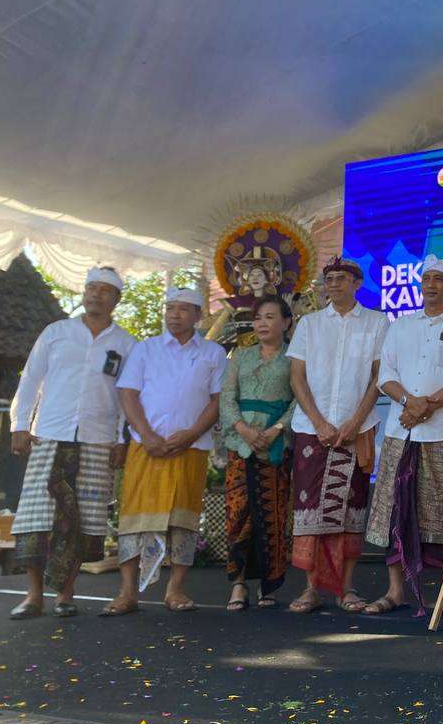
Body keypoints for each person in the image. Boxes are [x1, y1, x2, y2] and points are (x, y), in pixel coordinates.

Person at [8, 267, 136, 619]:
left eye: (104, 290)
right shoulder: (56, 332)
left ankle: (66, 594)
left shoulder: (126, 343)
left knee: (83, 520)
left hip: (98, 439)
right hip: (49, 432)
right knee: (36, 518)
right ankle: (33, 596)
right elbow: (30, 378)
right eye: (90, 288)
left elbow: (129, 396)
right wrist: (19, 424)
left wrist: (122, 438)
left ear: (116, 300)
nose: (95, 294)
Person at [366, 255, 443, 616]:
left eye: (439, 280)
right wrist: (408, 401)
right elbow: (385, 375)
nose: (430, 285)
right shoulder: (400, 326)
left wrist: (425, 406)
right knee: (395, 510)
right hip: (401, 432)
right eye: (426, 279)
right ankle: (395, 591)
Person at [106, 287, 226, 615]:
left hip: (192, 449)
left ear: (199, 316)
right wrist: (146, 435)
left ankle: (175, 590)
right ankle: (127, 593)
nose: (174, 315)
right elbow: (128, 394)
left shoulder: (213, 353)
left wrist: (190, 434)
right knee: (134, 520)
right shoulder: (146, 349)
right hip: (146, 449)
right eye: (170, 308)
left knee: (183, 521)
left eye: (184, 309)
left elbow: (218, 401)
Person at [286, 256, 389, 614]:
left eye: (342, 278)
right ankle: (310, 589)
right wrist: (320, 423)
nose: (334, 284)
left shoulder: (377, 322)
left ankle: (346, 589)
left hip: (355, 431)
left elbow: (379, 378)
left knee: (350, 512)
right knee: (311, 511)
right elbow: (297, 377)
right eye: (329, 278)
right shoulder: (310, 325)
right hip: (312, 431)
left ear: (357, 283)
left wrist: (353, 422)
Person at [219, 295, 296, 611]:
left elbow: (300, 399)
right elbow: (226, 398)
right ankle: (238, 585)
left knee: (272, 515)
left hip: (275, 446)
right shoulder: (241, 356)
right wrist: (244, 430)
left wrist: (276, 429)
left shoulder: (294, 359)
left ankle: (269, 585)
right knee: (238, 515)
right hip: (241, 445)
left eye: (269, 316)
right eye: (258, 317)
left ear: (286, 322)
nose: (262, 323)